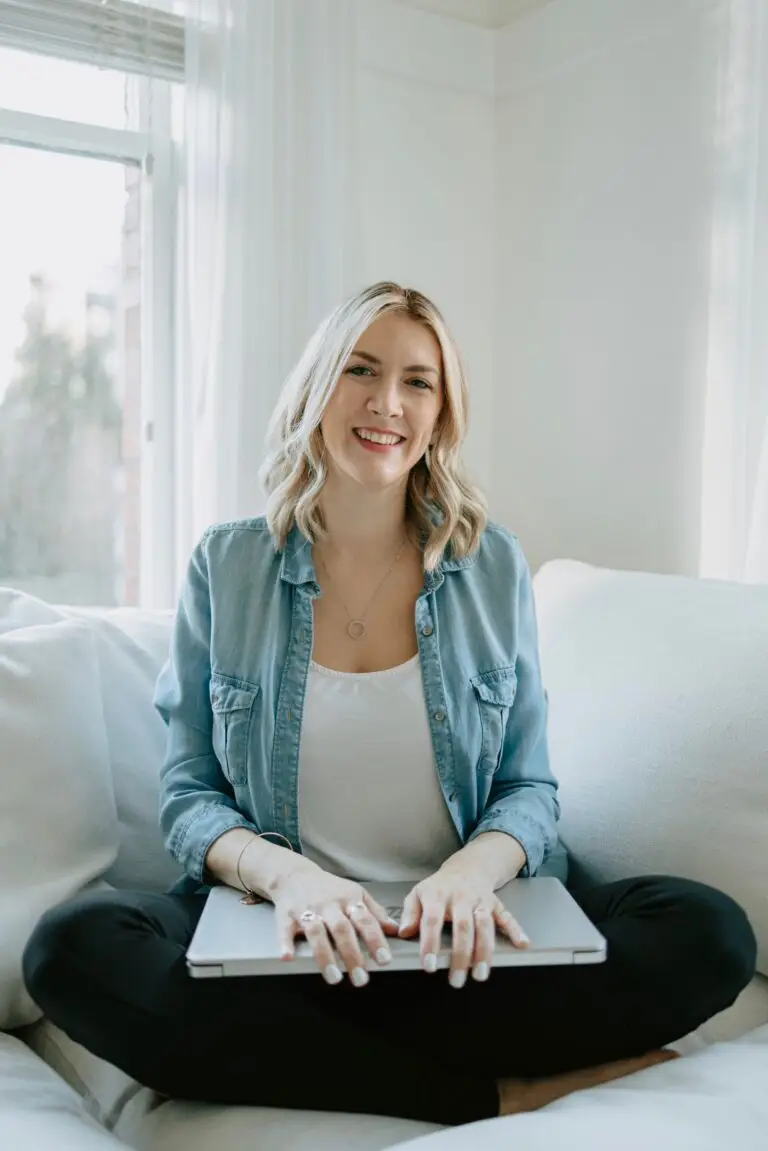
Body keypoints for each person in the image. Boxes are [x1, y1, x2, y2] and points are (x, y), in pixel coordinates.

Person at [24, 282, 756, 1127]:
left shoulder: (491, 568)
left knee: (709, 931)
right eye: (361, 370)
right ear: (318, 387)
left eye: (418, 381)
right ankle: (494, 1088)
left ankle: (310, 1056)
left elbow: (530, 789)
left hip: (462, 945)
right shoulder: (227, 567)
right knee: (70, 949)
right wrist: (291, 878)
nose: (387, 403)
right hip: (286, 935)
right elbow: (188, 795)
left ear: (442, 412)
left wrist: (469, 874)